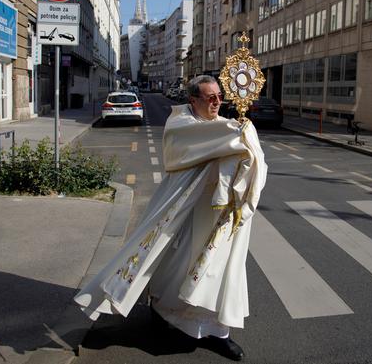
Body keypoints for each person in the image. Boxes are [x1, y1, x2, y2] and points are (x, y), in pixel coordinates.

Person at [74, 75, 267, 361]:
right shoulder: (181, 124)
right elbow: (222, 141)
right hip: (187, 213)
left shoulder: (223, 127)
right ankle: (166, 316)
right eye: (209, 97)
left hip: (222, 216)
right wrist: (241, 133)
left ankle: (217, 333)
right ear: (193, 100)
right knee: (176, 268)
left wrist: (243, 139)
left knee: (220, 273)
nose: (216, 102)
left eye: (219, 97)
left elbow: (250, 156)